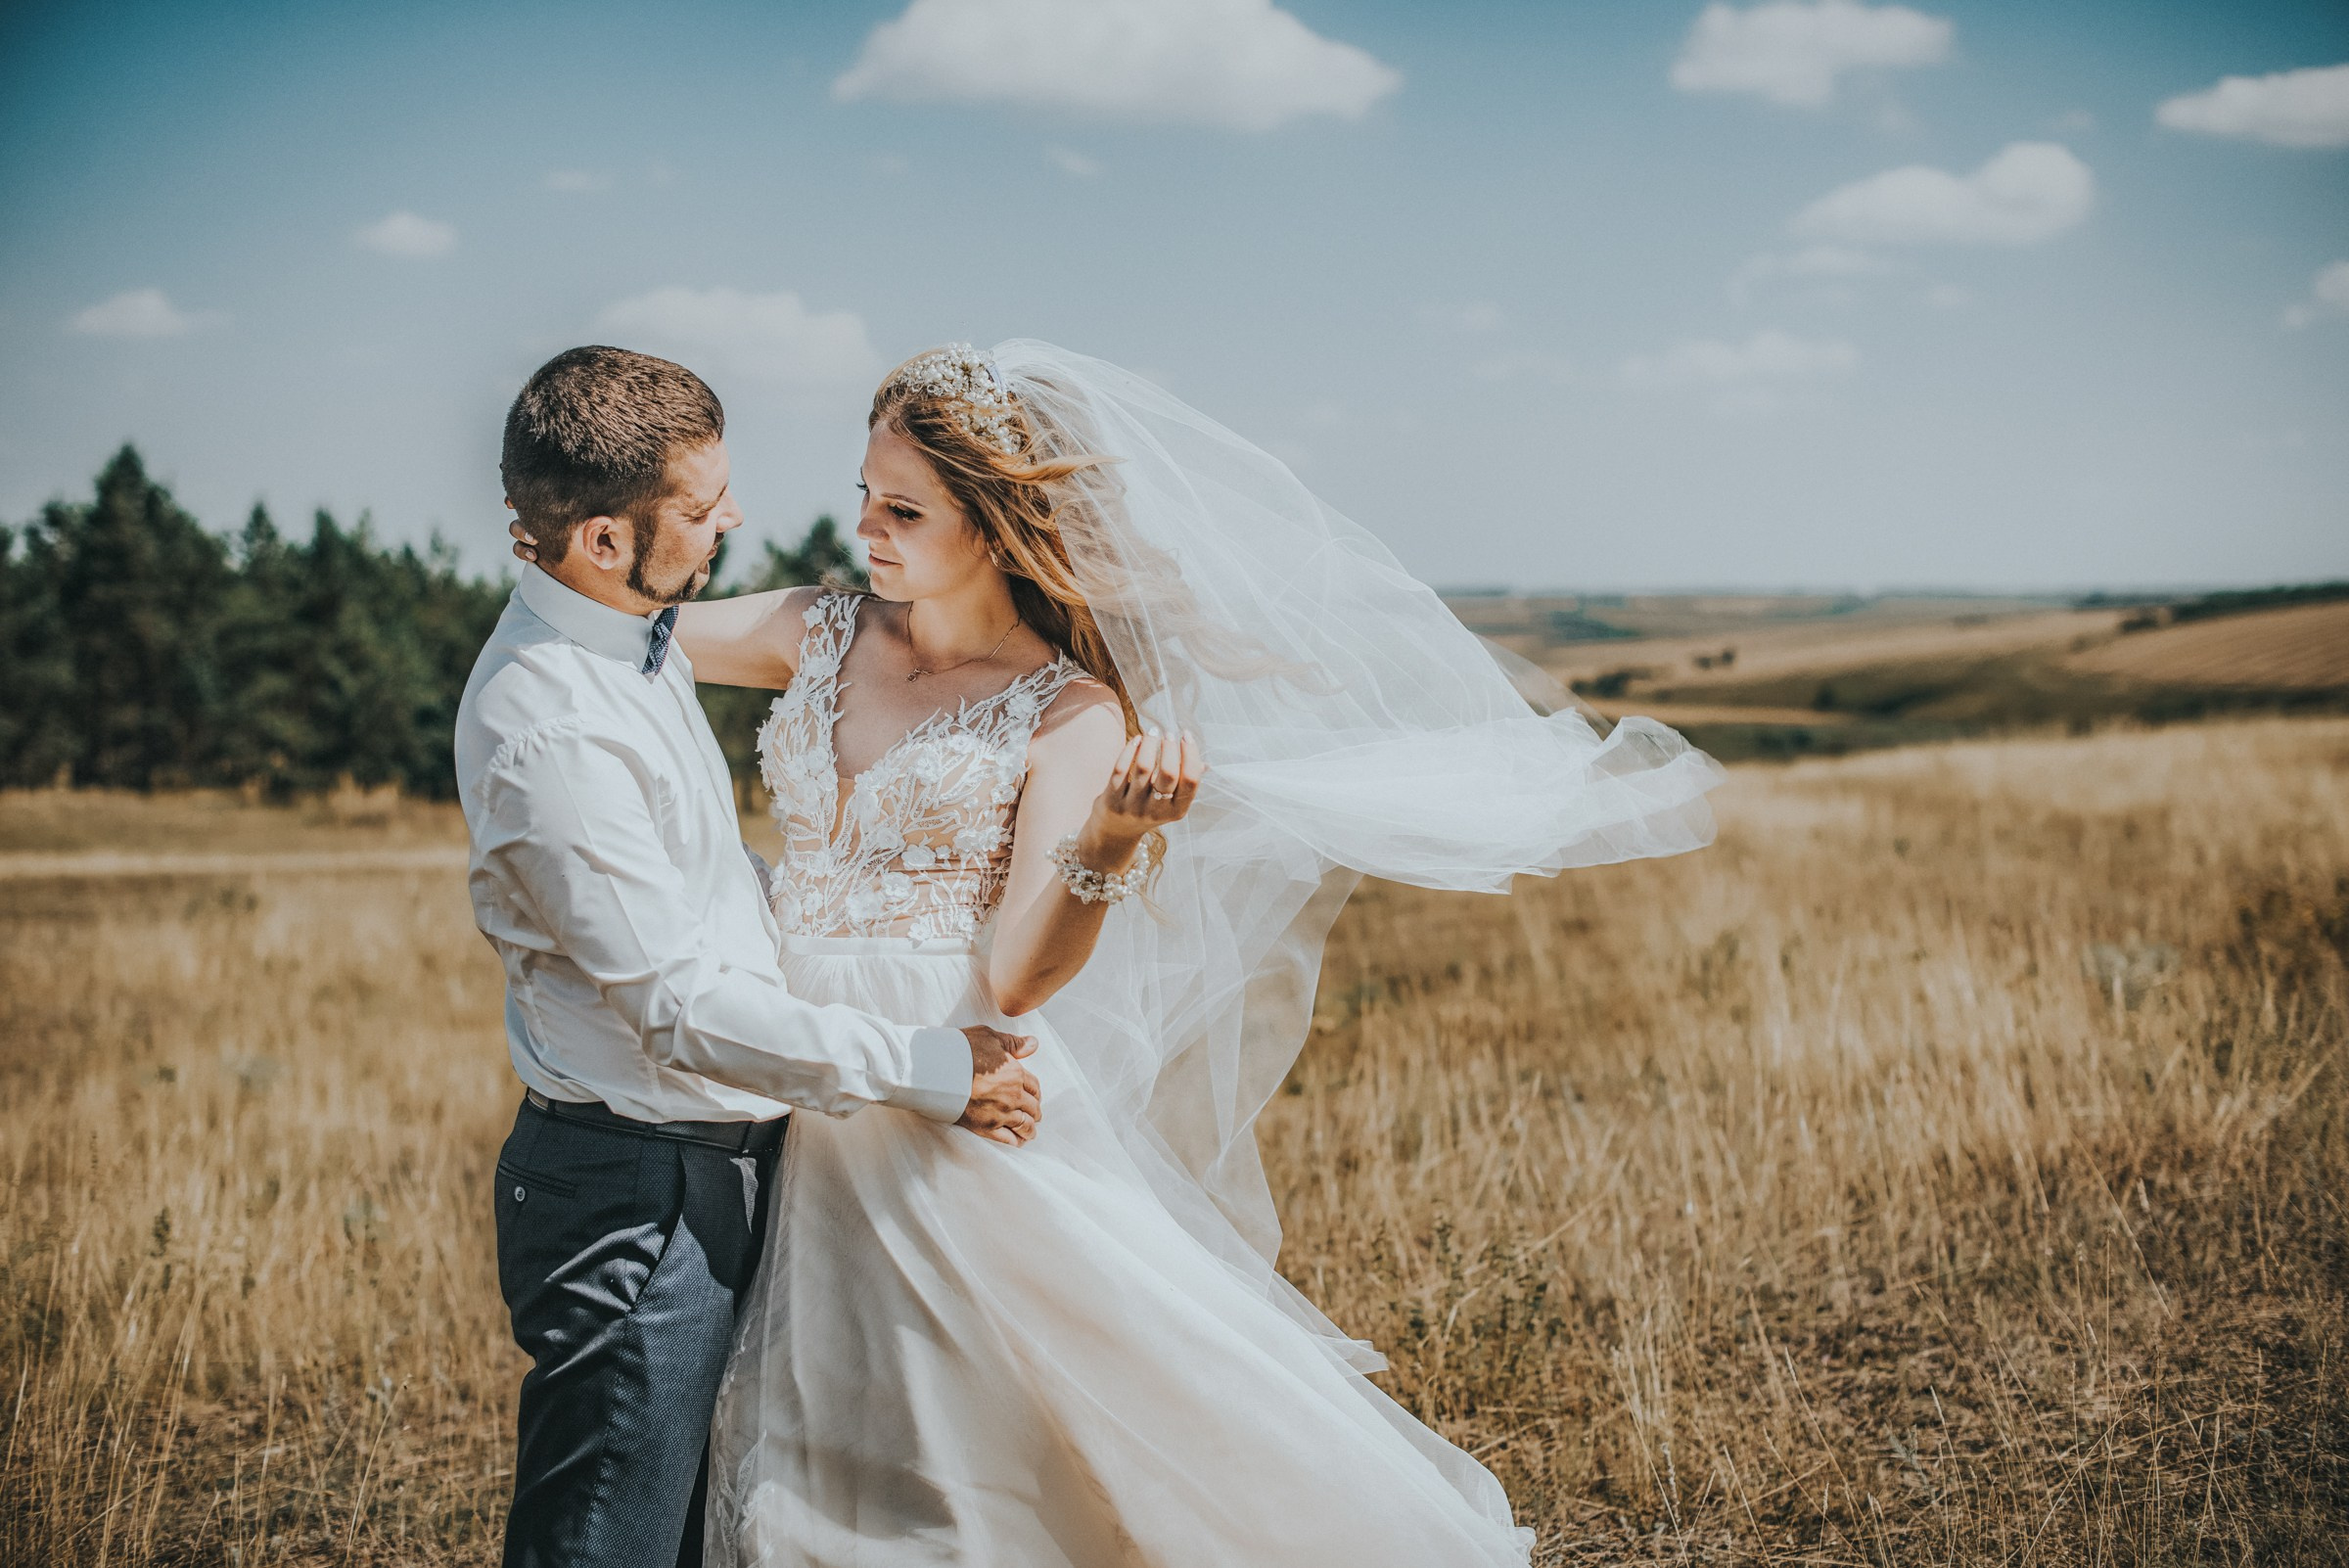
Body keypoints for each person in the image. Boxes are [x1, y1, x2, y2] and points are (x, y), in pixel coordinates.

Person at [513, 340, 1724, 1564]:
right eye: (865, 494)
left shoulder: (1067, 710)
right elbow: (627, 624)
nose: (865, 528)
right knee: (810, 1434)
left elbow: (1020, 976)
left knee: (993, 1431)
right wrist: (551, 550)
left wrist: (1109, 839)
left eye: (904, 510)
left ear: (994, 528)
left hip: (954, 1082)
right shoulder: (819, 631)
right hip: (793, 1066)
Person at [456, 346, 1046, 1568]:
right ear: (605, 540)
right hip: (637, 1194)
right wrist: (937, 1068)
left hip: (718, 1173)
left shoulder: (633, 645)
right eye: (701, 505)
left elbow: (712, 895)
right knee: (610, 1543)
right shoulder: (554, 725)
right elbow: (681, 1007)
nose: (732, 520)